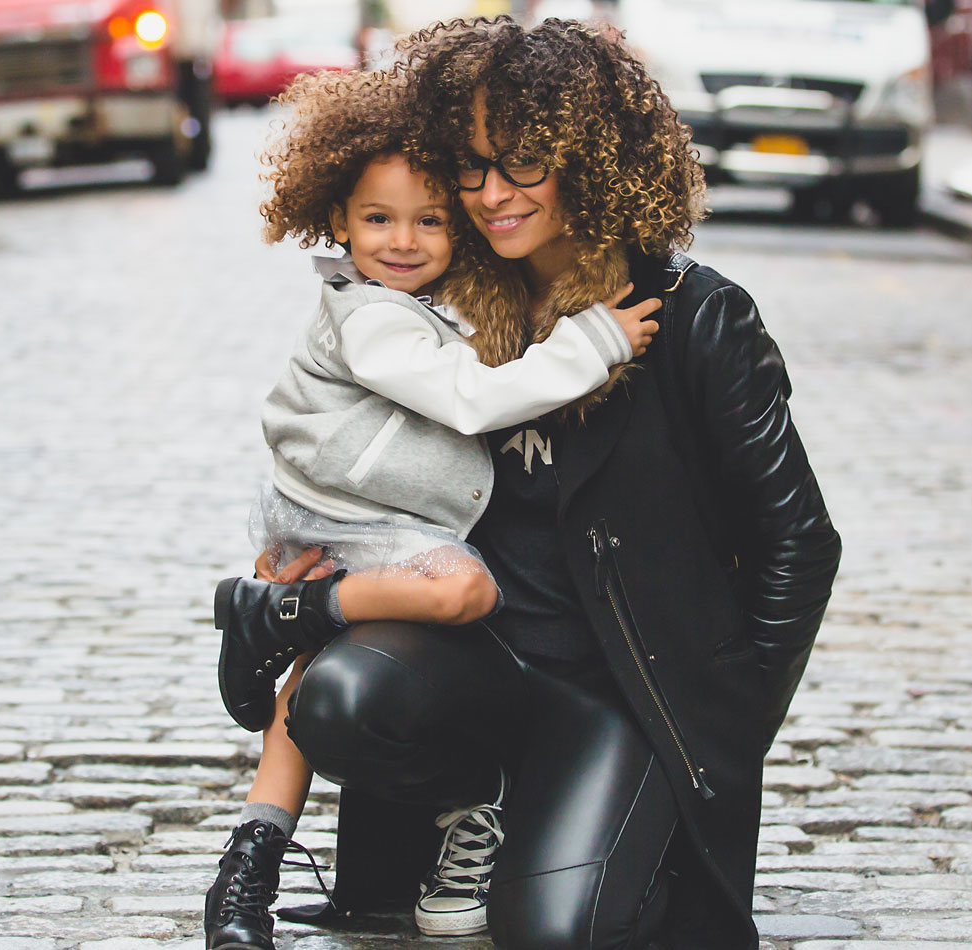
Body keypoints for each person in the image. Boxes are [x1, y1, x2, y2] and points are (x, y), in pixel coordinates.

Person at [254, 17, 846, 949]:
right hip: (480, 666)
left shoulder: (695, 318)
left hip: (622, 693)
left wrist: (721, 734)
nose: (492, 194)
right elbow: (356, 451)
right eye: (473, 166)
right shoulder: (441, 301)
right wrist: (314, 551)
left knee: (556, 934)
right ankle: (479, 808)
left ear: (591, 157)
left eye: (524, 163)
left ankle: (598, 824)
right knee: (339, 702)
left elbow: (797, 543)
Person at [204, 67, 663, 950]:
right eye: (379, 220)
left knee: (312, 677)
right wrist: (595, 342)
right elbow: (469, 400)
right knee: (462, 591)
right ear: (337, 221)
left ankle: (248, 863)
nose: (404, 241)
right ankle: (279, 612)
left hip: (342, 516)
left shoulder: (424, 301)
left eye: (430, 220)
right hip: (349, 519)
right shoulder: (372, 317)